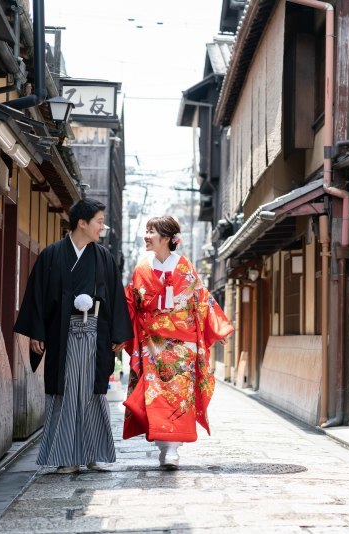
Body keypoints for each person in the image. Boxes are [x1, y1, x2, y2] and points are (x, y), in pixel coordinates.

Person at [14, 198, 132, 474]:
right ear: (82, 223)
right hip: (61, 334)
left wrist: (117, 333)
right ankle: (66, 457)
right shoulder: (52, 255)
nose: (103, 227)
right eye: (99, 222)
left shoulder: (103, 257)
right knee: (64, 393)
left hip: (95, 333)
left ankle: (93, 453)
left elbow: (115, 298)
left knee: (92, 393)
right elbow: (38, 297)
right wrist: (37, 333)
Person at [122, 215, 233, 469]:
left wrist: (218, 328)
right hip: (153, 345)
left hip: (183, 346)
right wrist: (121, 335)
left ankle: (172, 448)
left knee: (179, 396)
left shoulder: (184, 266)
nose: (146, 236)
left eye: (151, 232)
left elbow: (202, 299)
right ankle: (164, 446)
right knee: (156, 396)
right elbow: (130, 305)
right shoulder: (141, 268)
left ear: (167, 238)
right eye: (146, 231)